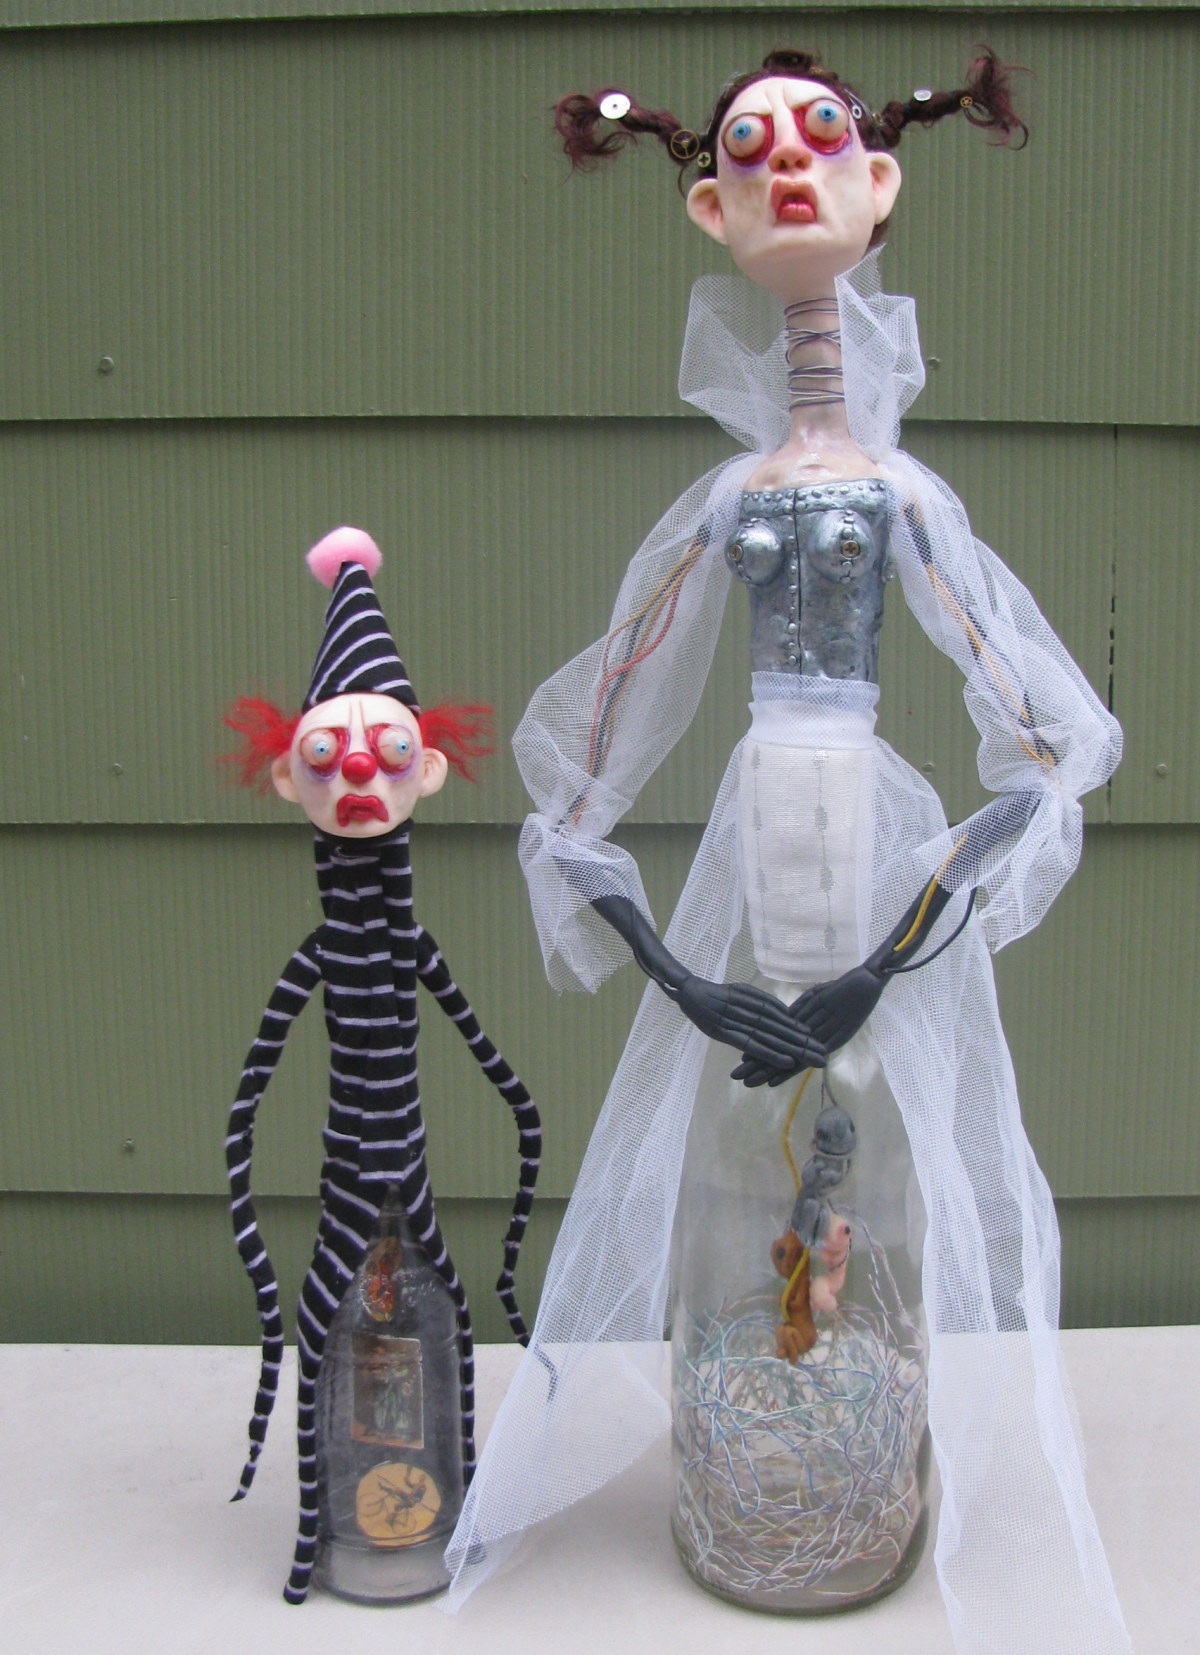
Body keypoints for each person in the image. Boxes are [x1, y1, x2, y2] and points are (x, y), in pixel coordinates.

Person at [446, 52, 1129, 1654]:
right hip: (755, 853)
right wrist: (680, 974)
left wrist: (892, 955)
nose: (792, 171)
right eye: (752, 153)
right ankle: (747, 1475)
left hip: (866, 834)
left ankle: (855, 1472)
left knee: (861, 1146)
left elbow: (1047, 744)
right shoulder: (727, 502)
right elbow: (591, 753)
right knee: (744, 1161)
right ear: (711, 205)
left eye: (823, 141)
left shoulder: (898, 495)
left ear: (881, 183)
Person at [223, 527, 541, 1601]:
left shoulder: (406, 945)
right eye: (327, 754)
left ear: (428, 769)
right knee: (333, 1324)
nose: (358, 769)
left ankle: (449, 1519)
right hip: (357, 1179)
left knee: (426, 1318)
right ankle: (324, 1533)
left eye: (387, 749)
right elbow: (249, 1102)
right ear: (289, 776)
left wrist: (523, 1159)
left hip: (397, 1176)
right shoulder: (330, 953)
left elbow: (496, 1067)